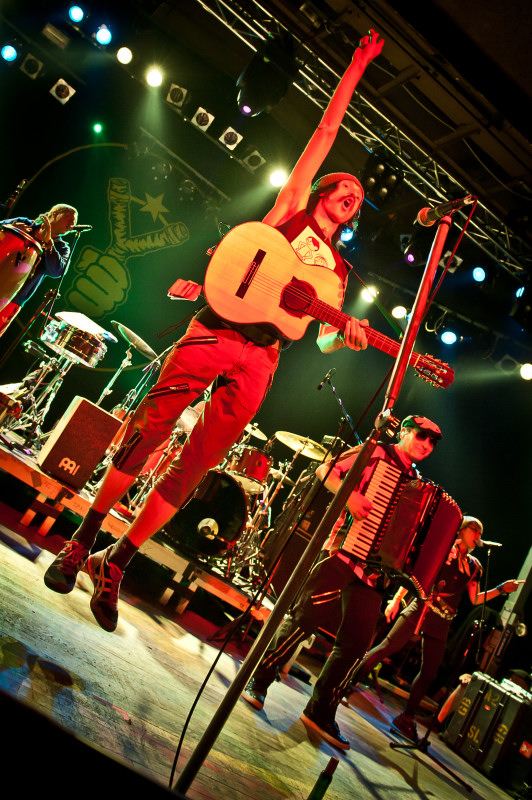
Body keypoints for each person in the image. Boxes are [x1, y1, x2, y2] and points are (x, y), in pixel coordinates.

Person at [43, 31, 385, 633]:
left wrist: (349, 336)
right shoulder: (293, 209)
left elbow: (320, 334)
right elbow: (325, 134)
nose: (352, 199)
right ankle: (81, 540)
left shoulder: (338, 275)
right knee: (148, 431)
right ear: (325, 190)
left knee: (197, 462)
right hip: (215, 331)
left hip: (263, 358)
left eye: (359, 200)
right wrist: (354, 69)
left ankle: (115, 561)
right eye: (347, 189)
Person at [242, 413, 443, 750]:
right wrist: (349, 497)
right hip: (344, 551)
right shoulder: (375, 450)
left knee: (355, 644)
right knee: (302, 621)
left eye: (433, 442)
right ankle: (258, 682)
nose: (427, 445)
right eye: (422, 436)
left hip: (374, 572)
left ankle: (319, 710)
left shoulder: (417, 483)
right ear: (405, 431)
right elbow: (326, 471)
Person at [353, 517, 524, 743]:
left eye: (480, 532)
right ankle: (348, 683)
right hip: (422, 607)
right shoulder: (444, 551)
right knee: (387, 647)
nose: (478, 535)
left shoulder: (474, 567)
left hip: (442, 620)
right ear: (461, 531)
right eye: (475, 530)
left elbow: (475, 599)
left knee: (429, 672)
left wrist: (501, 589)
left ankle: (406, 718)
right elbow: (420, 577)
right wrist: (396, 599)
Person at [0, 204, 78, 335]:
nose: (72, 223)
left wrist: (48, 244)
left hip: (13, 298)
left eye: (75, 221)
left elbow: (57, 272)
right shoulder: (24, 223)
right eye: (69, 217)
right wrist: (8, 228)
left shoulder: (61, 248)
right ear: (54, 213)